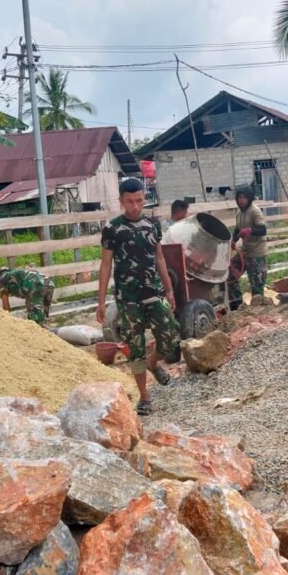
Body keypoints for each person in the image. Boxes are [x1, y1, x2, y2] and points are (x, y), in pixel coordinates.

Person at [97, 178, 181, 416]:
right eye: (130, 201)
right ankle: (145, 396)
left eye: (139, 201)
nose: (135, 206)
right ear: (121, 201)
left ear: (145, 198)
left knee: (170, 335)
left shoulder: (152, 224)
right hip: (128, 298)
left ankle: (153, 363)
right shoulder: (112, 229)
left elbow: (160, 258)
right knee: (135, 347)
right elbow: (105, 265)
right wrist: (101, 301)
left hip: (154, 293)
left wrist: (169, 289)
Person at [228, 184, 268, 307]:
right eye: (239, 197)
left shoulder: (255, 211)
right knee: (229, 276)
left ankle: (258, 312)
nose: (242, 200)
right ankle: (237, 305)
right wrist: (233, 240)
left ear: (249, 198)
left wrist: (250, 230)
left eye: (244, 197)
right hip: (244, 253)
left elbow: (263, 230)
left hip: (257, 254)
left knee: (257, 285)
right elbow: (237, 229)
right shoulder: (239, 212)